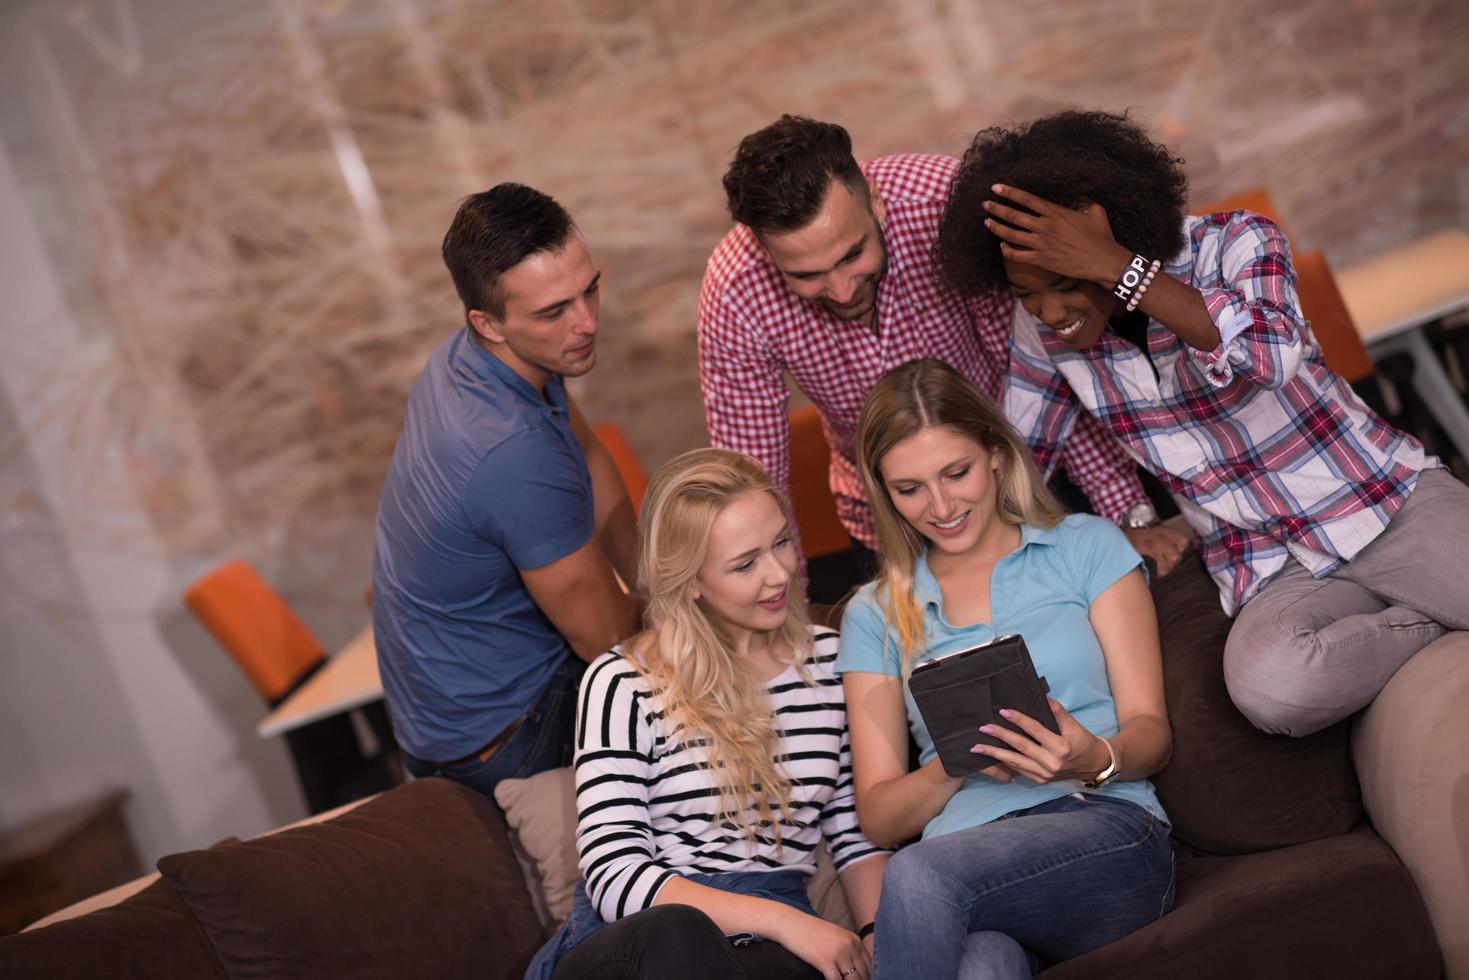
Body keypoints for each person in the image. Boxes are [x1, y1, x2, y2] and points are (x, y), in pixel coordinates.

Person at [934, 109, 1469, 737]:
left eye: (1064, 281)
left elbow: (1269, 355)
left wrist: (1119, 270)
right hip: (1269, 565)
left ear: (1118, 235)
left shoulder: (1237, 242)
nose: (1050, 312)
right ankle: (1434, 611)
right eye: (1028, 294)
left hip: (1384, 506)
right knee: (1273, 690)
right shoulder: (1042, 333)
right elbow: (1018, 456)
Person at [698, 115, 1190, 600]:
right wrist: (787, 624)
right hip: (892, 519)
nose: (843, 291)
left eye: (852, 255)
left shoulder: (942, 203)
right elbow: (753, 483)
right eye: (808, 275)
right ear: (765, 252)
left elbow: (1045, 362)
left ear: (876, 201)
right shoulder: (734, 291)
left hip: (1029, 468)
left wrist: (1129, 514)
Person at [836, 359, 1174, 979]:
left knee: (917, 872)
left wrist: (1091, 755)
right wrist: (955, 765)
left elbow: (1151, 733)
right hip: (969, 872)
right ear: (884, 493)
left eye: (956, 473)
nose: (940, 506)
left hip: (1104, 831)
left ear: (995, 453)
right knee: (980, 968)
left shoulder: (1087, 546)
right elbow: (881, 816)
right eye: (909, 489)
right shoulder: (873, 614)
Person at [527, 449, 888, 980]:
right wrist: (786, 923)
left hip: (765, 942)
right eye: (745, 564)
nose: (779, 573)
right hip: (634, 939)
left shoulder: (833, 660)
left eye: (781, 542)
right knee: (678, 933)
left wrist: (877, 935)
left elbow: (855, 836)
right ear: (691, 581)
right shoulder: (622, 680)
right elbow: (612, 873)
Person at [371, 183, 641, 800]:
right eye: (554, 312)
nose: (587, 322)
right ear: (486, 322)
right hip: (500, 738)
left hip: (442, 715)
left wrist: (658, 578)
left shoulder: (469, 361)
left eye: (590, 289)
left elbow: (591, 457)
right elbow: (608, 640)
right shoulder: (510, 450)